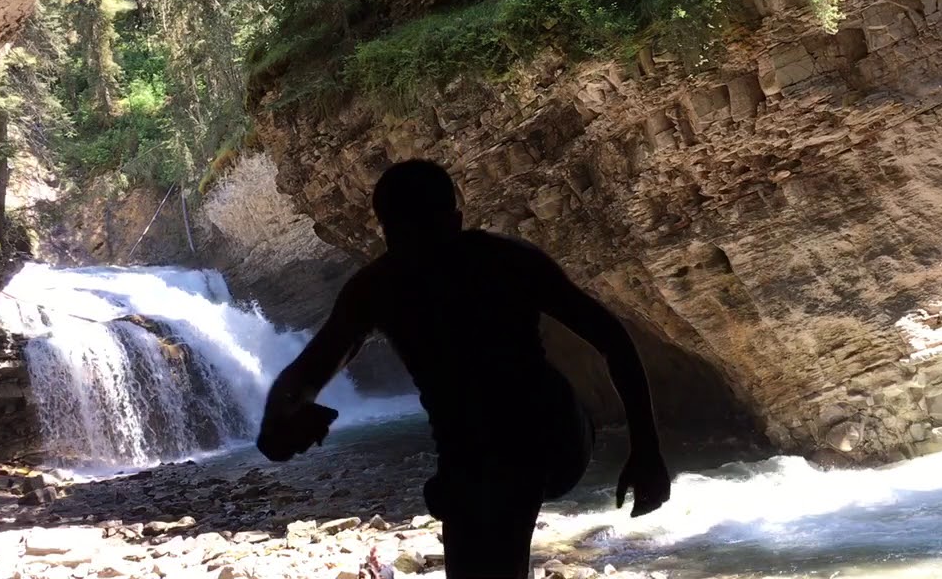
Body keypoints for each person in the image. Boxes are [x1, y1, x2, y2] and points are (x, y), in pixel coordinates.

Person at [258, 159, 671, 579]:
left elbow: (305, 374)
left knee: (491, 480)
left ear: (384, 230)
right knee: (482, 489)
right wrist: (646, 448)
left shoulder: (381, 287)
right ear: (456, 220)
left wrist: (282, 419)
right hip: (519, 436)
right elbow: (612, 338)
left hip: (541, 433)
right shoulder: (505, 260)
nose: (425, 254)